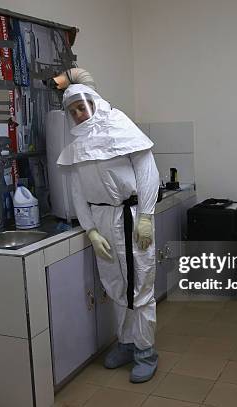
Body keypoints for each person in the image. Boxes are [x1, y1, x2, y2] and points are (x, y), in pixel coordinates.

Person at [56, 83, 160, 383]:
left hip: (130, 215)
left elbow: (147, 173)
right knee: (115, 285)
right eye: (72, 110)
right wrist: (90, 230)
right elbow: (78, 192)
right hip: (101, 220)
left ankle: (146, 352)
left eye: (81, 106)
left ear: (95, 103)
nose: (78, 113)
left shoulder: (120, 127)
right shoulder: (78, 147)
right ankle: (126, 344)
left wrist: (145, 217)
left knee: (140, 286)